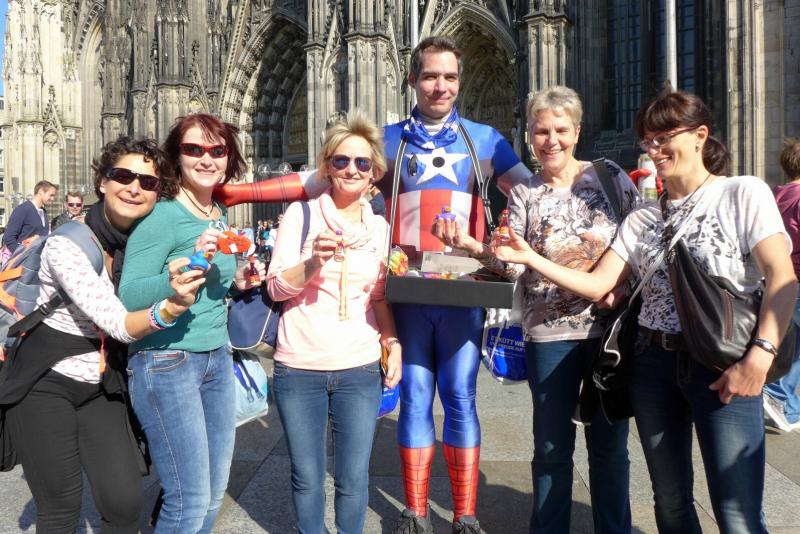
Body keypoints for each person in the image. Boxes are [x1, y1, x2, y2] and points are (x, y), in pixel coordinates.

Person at [491, 90, 796, 534]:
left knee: (737, 512)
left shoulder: (742, 192)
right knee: (670, 502)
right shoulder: (643, 218)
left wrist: (761, 356)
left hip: (721, 361)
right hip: (652, 365)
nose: (655, 149)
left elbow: (782, 277)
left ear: (700, 135)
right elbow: (599, 284)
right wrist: (527, 257)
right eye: (649, 140)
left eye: (665, 137)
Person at [439, 85, 635, 533]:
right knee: (550, 449)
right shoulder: (524, 193)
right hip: (549, 335)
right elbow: (513, 266)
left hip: (608, 335)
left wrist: (621, 287)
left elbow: (641, 241)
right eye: (541, 131)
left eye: (560, 130)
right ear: (529, 136)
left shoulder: (609, 177)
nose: (552, 140)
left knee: (609, 448)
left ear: (577, 131)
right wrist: (472, 246)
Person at [0, 137, 205, 533]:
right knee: (60, 508)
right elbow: (117, 322)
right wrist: (170, 308)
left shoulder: (142, 245)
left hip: (101, 384)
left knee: (124, 503)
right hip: (43, 383)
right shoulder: (67, 243)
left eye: (148, 182)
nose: (134, 187)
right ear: (102, 182)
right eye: (123, 176)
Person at [383, 36, 532, 534]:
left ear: (460, 82)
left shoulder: (484, 140)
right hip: (408, 292)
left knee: (461, 396)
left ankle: (465, 514)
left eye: (449, 77)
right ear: (412, 79)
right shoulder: (386, 140)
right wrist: (233, 193)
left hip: (463, 291)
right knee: (415, 396)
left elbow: (535, 194)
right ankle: (415, 511)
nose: (440, 86)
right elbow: (325, 182)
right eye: (430, 75)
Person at [119, 113, 265, 533]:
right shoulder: (162, 216)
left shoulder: (216, 212)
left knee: (214, 493)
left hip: (216, 357)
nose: (207, 159)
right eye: (194, 149)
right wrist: (175, 276)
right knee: (188, 500)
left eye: (217, 150)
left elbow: (209, 288)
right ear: (176, 156)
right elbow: (127, 296)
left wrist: (237, 281)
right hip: (167, 362)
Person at [266, 113, 401, 534]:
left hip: (359, 367)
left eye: (362, 163)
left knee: (353, 479)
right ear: (327, 166)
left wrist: (393, 342)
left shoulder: (379, 229)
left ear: (374, 172)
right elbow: (275, 289)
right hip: (299, 367)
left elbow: (377, 297)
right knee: (307, 477)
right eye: (341, 161)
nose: (351, 170)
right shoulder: (301, 215)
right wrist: (313, 262)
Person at [763, 137, 800, 432]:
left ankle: (785, 402)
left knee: (791, 339)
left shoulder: (776, 194)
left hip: (777, 277)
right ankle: (780, 396)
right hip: (797, 278)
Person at [2, 180, 58, 253]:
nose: (53, 199)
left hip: (38, 257)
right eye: (51, 195)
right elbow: (9, 237)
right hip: (24, 257)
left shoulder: (43, 211)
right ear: (40, 192)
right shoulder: (23, 209)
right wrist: (20, 255)